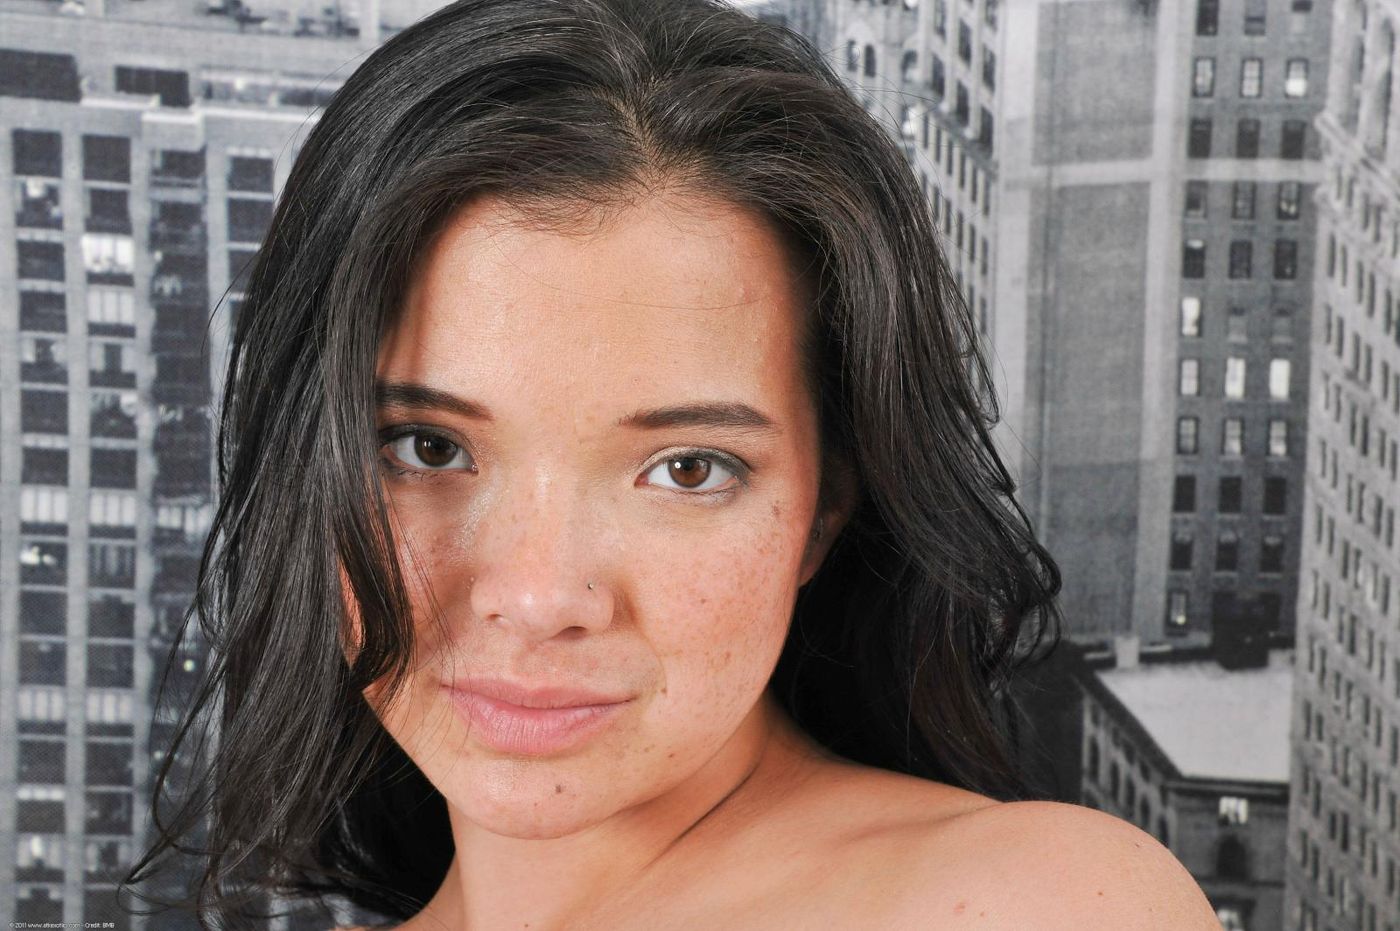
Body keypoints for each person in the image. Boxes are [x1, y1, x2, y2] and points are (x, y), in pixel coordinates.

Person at [125, 0, 1222, 928]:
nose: (538, 595)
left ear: (827, 505)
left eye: (688, 468)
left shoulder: (1032, 902)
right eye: (428, 448)